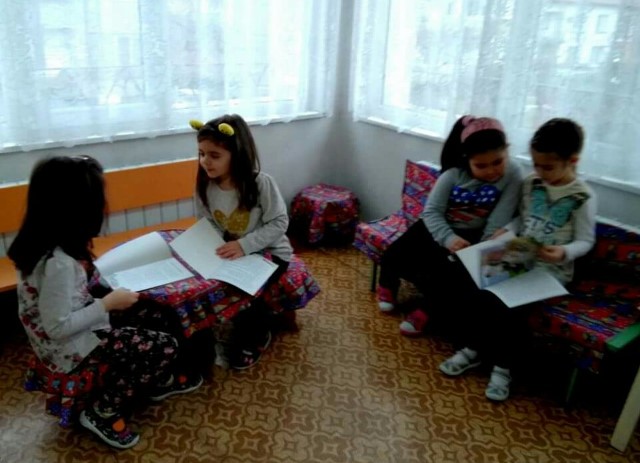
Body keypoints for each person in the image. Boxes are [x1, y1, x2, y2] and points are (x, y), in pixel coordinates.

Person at [8, 156, 202, 450]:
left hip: (75, 329)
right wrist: (107, 304)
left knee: (152, 314)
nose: (103, 207)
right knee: (164, 346)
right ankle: (102, 411)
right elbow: (58, 328)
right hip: (71, 347)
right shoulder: (58, 264)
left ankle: (152, 380)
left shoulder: (45, 244)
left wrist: (104, 299)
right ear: (76, 210)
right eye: (98, 200)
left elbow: (65, 301)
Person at [438, 117, 597, 401]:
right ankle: (474, 349)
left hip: (551, 270)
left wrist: (564, 252)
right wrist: (507, 229)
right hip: (520, 254)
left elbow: (586, 240)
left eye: (548, 167)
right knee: (481, 290)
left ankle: (503, 368)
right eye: (536, 165)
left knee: (514, 308)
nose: (540, 172)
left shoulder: (582, 196)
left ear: (572, 161)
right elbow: (523, 219)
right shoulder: (532, 183)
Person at [376, 115, 523, 336]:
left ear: (507, 151)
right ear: (467, 160)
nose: (492, 171)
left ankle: (427, 311)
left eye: (498, 162)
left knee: (450, 277)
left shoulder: (513, 173)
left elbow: (500, 218)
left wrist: (482, 248)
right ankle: (387, 284)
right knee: (394, 254)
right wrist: (448, 239)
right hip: (439, 227)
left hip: (474, 234)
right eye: (481, 166)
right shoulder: (453, 175)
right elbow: (431, 212)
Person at [191, 114, 293, 370]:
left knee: (247, 293)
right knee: (201, 278)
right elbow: (209, 222)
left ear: (236, 155)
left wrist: (244, 245)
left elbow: (279, 222)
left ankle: (257, 336)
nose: (205, 161)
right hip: (235, 250)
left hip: (271, 253)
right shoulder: (205, 185)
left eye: (214, 155)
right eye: (201, 153)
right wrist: (216, 244)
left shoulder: (260, 183)